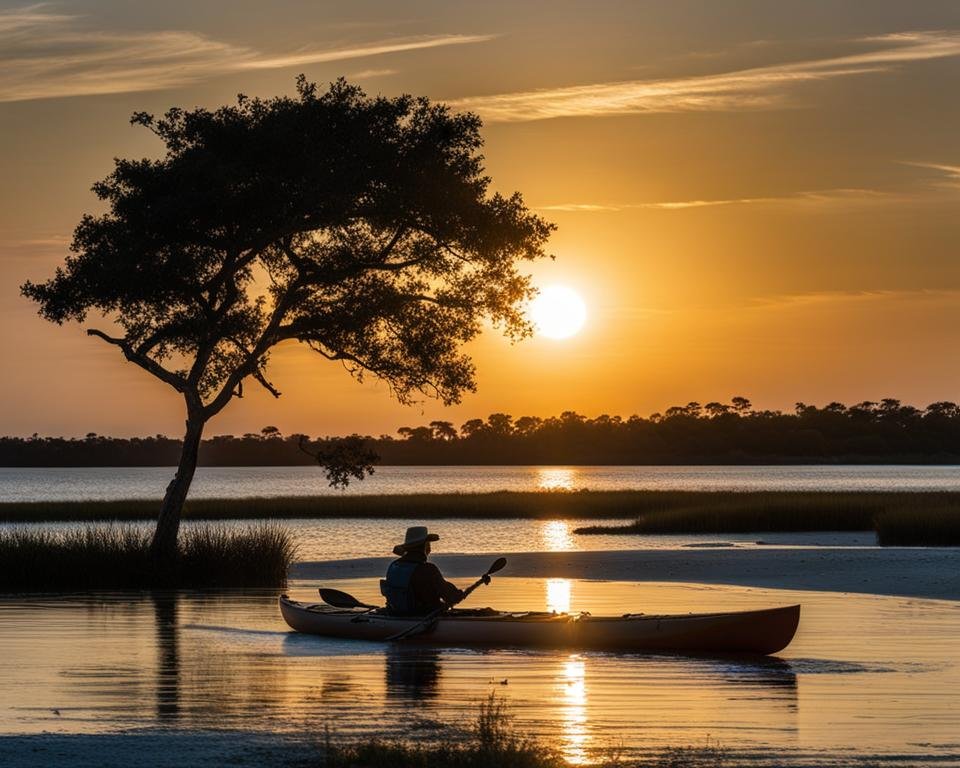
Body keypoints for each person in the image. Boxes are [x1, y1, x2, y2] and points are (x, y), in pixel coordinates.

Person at [381, 526, 484, 615]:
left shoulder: (394, 565)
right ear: (424, 546)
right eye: (428, 543)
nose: (430, 547)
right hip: (423, 617)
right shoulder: (428, 569)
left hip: (395, 613)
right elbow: (452, 597)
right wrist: (477, 584)